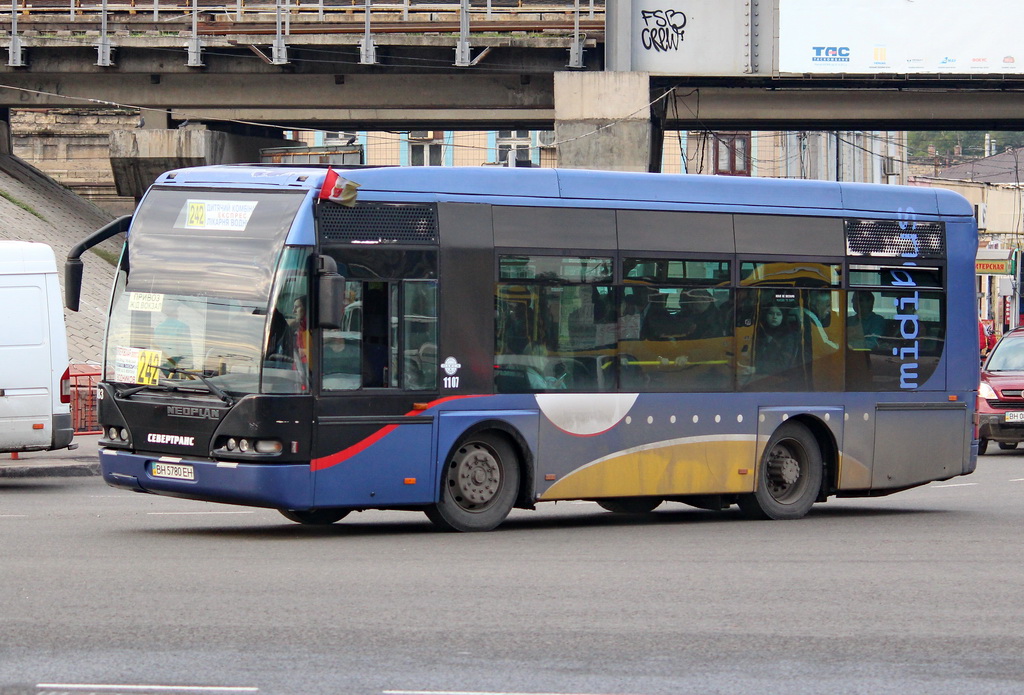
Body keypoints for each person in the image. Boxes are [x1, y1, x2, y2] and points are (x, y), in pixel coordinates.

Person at [153, 302, 192, 369]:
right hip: (176, 368)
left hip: (161, 367)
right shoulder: (182, 327)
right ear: (175, 312)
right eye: (176, 310)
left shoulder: (158, 328)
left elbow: (155, 350)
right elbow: (185, 354)